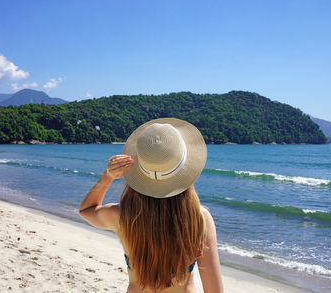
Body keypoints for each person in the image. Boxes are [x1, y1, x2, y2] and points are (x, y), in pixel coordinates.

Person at [79, 118, 223, 293]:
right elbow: (214, 290)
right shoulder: (199, 219)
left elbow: (86, 210)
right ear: (186, 170)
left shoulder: (123, 216)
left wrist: (108, 176)